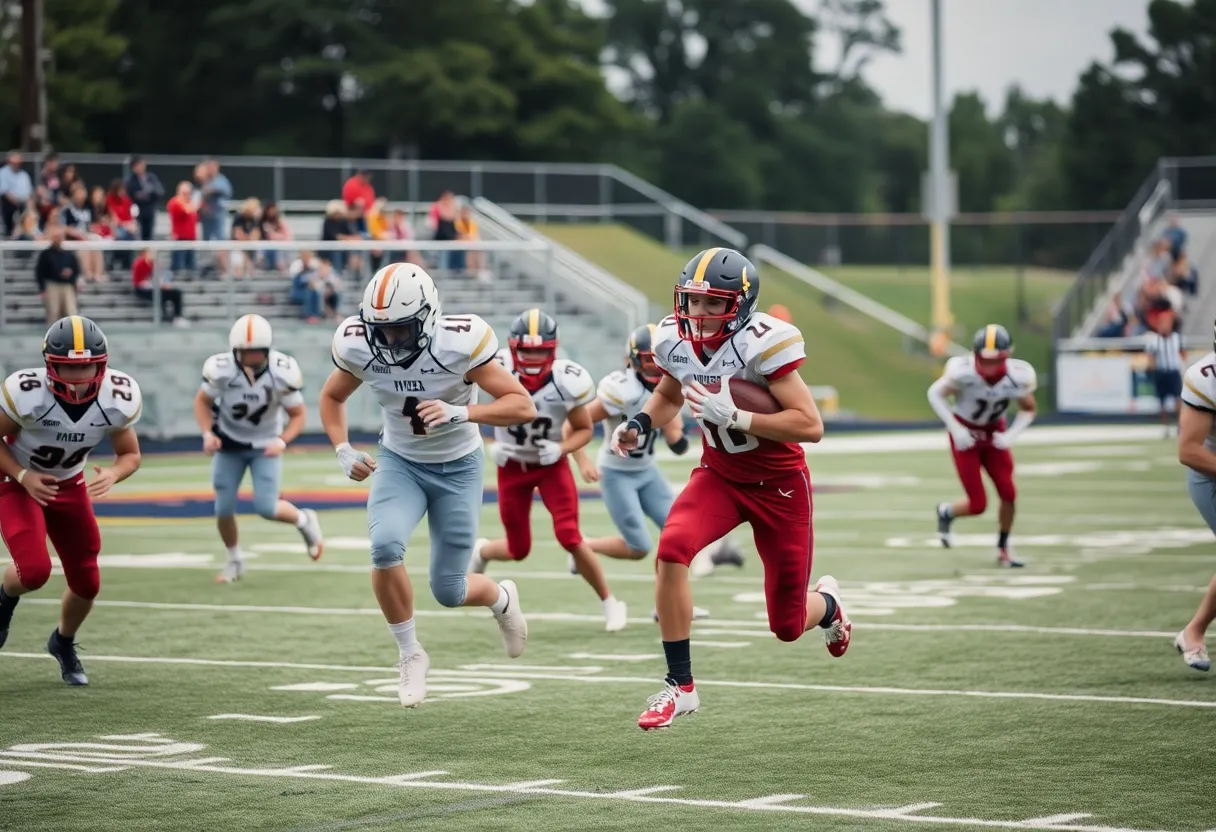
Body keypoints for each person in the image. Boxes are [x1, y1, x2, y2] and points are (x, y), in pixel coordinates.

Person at [611, 247, 849, 731]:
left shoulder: (762, 345)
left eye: (713, 304)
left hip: (779, 485)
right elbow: (669, 393)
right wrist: (638, 423)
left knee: (785, 626)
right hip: (720, 475)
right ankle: (681, 687)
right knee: (672, 549)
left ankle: (828, 605)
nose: (698, 314)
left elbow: (810, 423)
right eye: (692, 302)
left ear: (740, 306)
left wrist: (738, 416)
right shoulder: (672, 341)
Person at [320, 262, 534, 707]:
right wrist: (342, 447)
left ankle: (501, 597)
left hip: (459, 467)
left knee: (449, 590)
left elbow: (521, 405)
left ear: (428, 316)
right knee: (383, 547)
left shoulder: (459, 343)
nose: (389, 340)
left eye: (400, 329)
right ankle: (410, 653)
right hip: (400, 461)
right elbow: (332, 396)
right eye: (381, 330)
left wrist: (462, 412)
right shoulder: (360, 345)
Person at [0, 316, 143, 685]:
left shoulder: (117, 397)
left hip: (69, 482)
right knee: (33, 571)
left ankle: (62, 642)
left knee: (87, 582)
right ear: (50, 364)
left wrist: (113, 473)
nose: (77, 377)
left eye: (86, 367)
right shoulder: (27, 392)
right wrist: (22, 475)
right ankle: (3, 602)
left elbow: (130, 455)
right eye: (67, 366)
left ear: (102, 364)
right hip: (18, 480)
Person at [569, 323, 745, 621]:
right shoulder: (620, 390)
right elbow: (577, 423)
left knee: (678, 536)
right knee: (639, 547)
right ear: (633, 359)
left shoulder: (672, 383)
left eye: (656, 357)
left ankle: (666, 606)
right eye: (646, 358)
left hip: (647, 470)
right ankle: (583, 548)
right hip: (617, 473)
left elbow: (676, 439)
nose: (652, 364)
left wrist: (681, 432)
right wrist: (582, 460)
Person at [468, 309, 628, 632]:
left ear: (553, 349)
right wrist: (484, 435)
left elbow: (583, 429)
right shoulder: (495, 369)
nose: (533, 358)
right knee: (518, 549)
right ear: (513, 349)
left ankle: (610, 601)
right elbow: (466, 403)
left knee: (569, 536)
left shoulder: (567, 379)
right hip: (511, 466)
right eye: (527, 350)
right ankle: (483, 550)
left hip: (550, 466)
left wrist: (562, 449)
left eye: (540, 350)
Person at [195, 315, 323, 583]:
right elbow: (202, 402)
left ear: (267, 350)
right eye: (246, 352)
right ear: (235, 350)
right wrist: (207, 434)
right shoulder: (222, 369)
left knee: (266, 507)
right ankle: (235, 560)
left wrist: (283, 440)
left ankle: (303, 520)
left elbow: (298, 414)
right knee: (223, 508)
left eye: (256, 351)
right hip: (229, 442)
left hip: (265, 444)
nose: (251, 357)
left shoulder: (281, 371)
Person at [928, 325, 1037, 567]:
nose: (988, 367)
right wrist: (956, 429)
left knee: (1009, 493)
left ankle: (1004, 548)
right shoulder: (962, 372)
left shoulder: (1019, 376)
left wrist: (1011, 435)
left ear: (1006, 356)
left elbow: (1028, 409)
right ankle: (946, 511)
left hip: (994, 432)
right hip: (965, 434)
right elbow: (935, 394)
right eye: (984, 360)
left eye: (995, 361)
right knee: (977, 504)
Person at [1176, 325, 1216, 673]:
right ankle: (1194, 631)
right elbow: (1189, 451)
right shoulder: (1206, 377)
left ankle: (1193, 631)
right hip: (1210, 473)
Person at [1146, 316, 1185, 438]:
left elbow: (1183, 354)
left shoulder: (1176, 338)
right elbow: (1151, 358)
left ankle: (1180, 425)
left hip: (1174, 371)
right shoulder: (1154, 340)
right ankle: (1165, 426)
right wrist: (1151, 369)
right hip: (1161, 372)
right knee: (1162, 402)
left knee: (1178, 399)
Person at [131, 248, 186, 326]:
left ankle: (177, 317)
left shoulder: (152, 263)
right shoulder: (139, 263)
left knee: (176, 293)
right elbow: (140, 283)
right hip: (142, 290)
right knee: (161, 294)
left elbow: (160, 276)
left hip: (154, 287)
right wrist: (159, 285)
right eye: (150, 252)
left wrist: (163, 283)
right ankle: (165, 317)